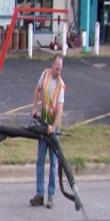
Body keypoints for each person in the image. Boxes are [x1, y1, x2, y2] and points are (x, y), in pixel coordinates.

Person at [30, 54, 65, 209]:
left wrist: (54, 127)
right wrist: (34, 108)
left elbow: (59, 111)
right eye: (57, 68)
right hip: (43, 125)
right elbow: (37, 89)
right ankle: (39, 194)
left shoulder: (60, 86)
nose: (58, 71)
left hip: (53, 129)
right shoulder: (44, 75)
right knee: (40, 160)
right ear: (52, 65)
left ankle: (50, 196)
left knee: (53, 164)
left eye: (60, 69)